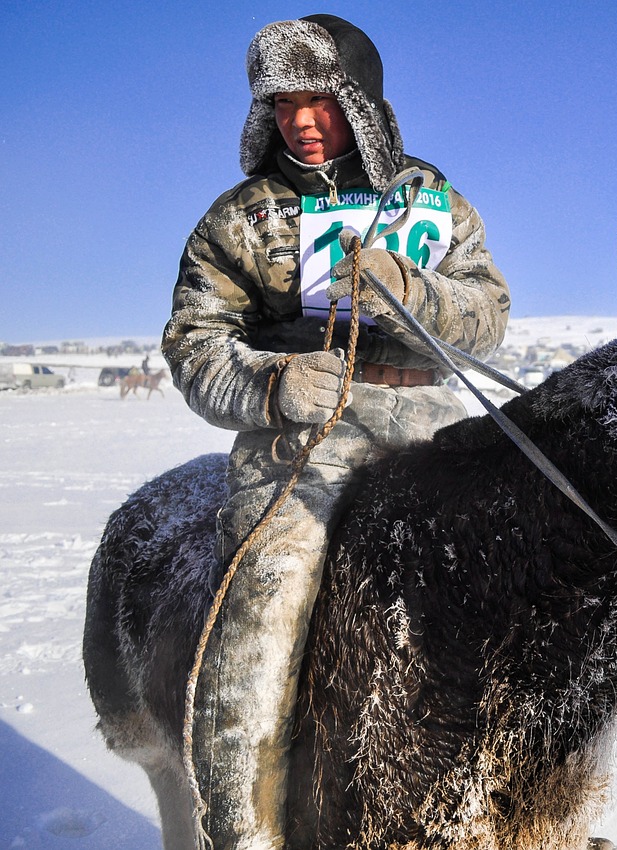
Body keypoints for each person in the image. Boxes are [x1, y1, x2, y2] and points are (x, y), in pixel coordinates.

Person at [161, 15, 510, 848]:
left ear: (359, 99)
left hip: (429, 426)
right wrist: (271, 383)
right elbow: (193, 342)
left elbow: (489, 316)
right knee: (266, 604)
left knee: (510, 579)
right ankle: (239, 829)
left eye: (319, 99)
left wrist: (413, 291)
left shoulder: (432, 199)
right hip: (298, 441)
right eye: (281, 104)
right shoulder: (240, 218)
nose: (301, 120)